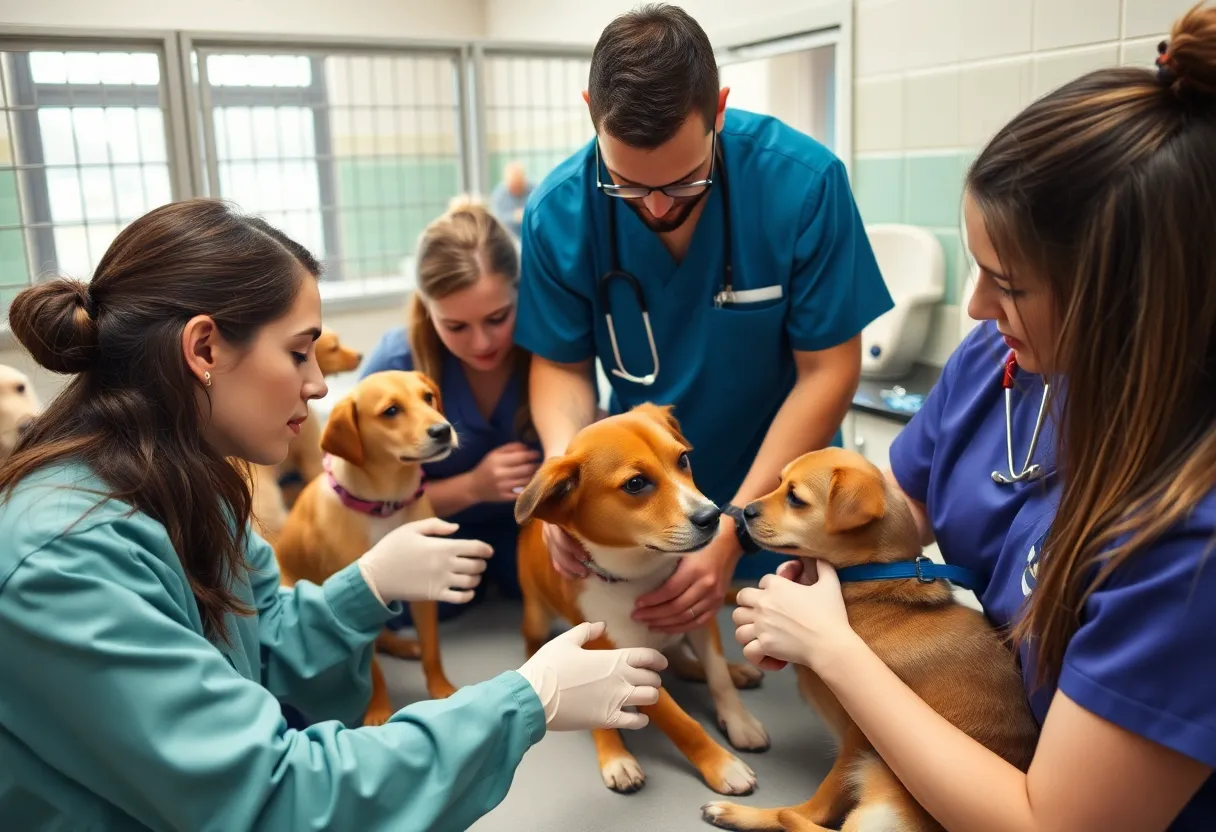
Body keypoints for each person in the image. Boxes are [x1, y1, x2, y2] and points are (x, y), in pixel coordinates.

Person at [0, 198, 667, 831]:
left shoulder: (192, 486)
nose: (319, 383)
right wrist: (528, 698)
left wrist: (364, 588)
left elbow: (258, 644)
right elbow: (276, 796)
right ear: (204, 351)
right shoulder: (63, 562)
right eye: (298, 352)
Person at [733, 6, 1216, 829]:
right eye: (977, 267)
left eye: (1012, 284)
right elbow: (907, 504)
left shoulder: (1189, 541)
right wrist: (830, 566)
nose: (976, 304)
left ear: (1132, 306)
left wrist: (842, 653)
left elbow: (1047, 821)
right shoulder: (1004, 365)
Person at [514, 2, 894, 636]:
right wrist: (564, 474)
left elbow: (828, 370)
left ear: (718, 108)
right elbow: (559, 365)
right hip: (640, 521)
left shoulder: (802, 185)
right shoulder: (558, 212)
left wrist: (735, 526)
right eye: (629, 187)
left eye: (686, 183)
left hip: (785, 510)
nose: (659, 207)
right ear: (590, 111)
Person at [360, 197, 541, 623]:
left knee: (549, 585)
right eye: (455, 326)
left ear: (521, 294)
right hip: (429, 533)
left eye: (498, 318)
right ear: (428, 312)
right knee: (422, 605)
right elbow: (357, 500)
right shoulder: (394, 364)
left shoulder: (549, 348)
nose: (482, 343)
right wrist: (472, 487)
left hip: (528, 529)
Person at [490, 160, 533, 238]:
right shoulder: (499, 194)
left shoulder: (533, 190)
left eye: (519, 185)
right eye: (513, 186)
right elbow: (497, 218)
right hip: (507, 237)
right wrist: (514, 217)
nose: (516, 189)